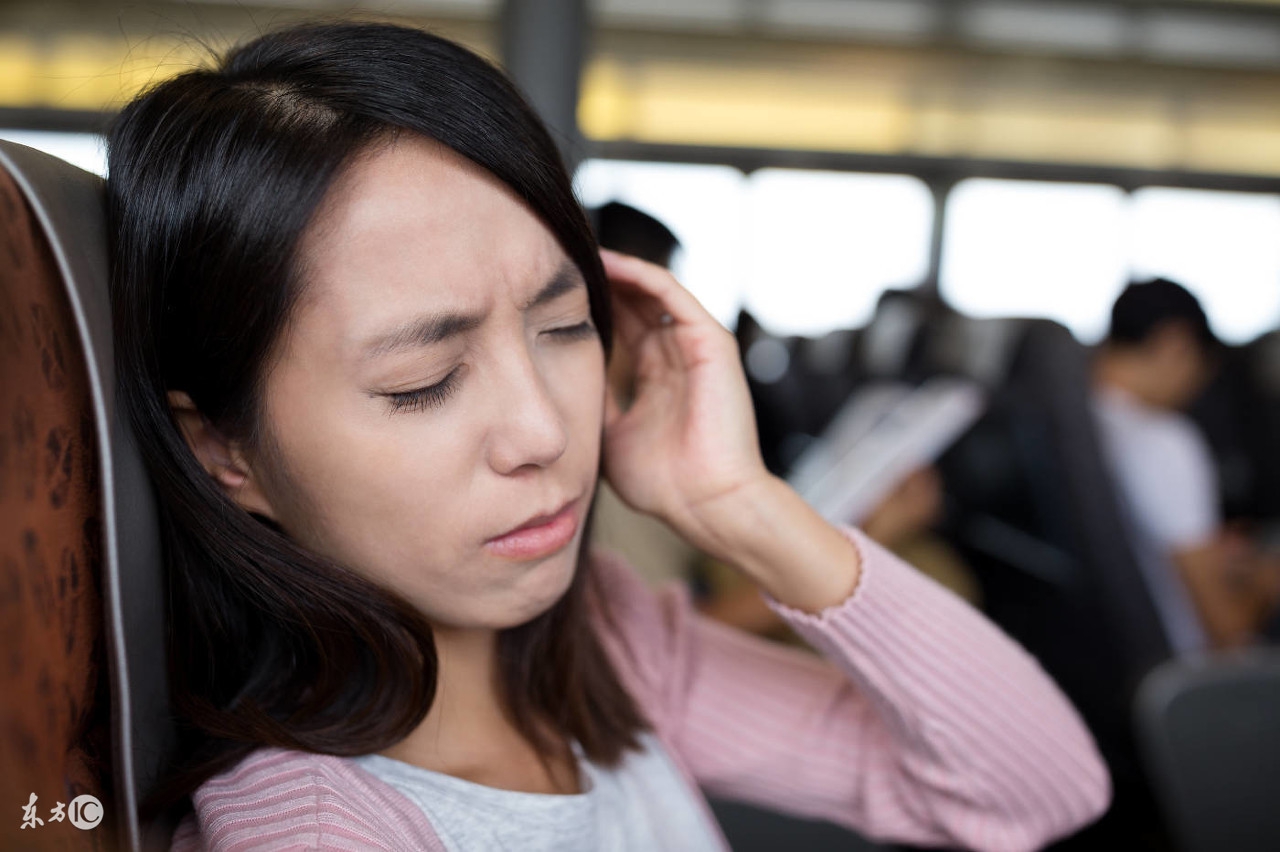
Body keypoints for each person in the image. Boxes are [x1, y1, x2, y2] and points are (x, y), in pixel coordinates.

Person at [107, 21, 1109, 851]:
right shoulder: (320, 832)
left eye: (563, 326)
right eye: (422, 382)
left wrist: (742, 506)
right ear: (222, 452)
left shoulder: (608, 648)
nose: (546, 429)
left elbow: (1035, 790)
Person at [1092, 278, 1280, 651]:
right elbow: (1227, 631)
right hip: (1191, 681)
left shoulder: (1079, 423)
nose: (1196, 387)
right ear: (1175, 344)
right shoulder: (1163, 443)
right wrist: (1265, 582)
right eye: (1201, 367)